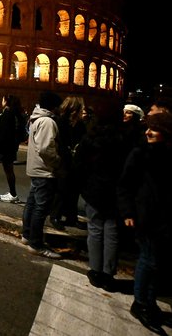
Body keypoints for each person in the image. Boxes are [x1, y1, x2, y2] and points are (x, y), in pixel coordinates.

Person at [117, 112, 172, 333]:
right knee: (149, 261)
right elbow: (125, 185)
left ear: (168, 133)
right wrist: (128, 212)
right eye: (148, 128)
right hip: (146, 217)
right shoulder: (141, 153)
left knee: (157, 263)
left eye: (154, 129)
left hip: (168, 219)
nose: (148, 132)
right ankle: (141, 304)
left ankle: (149, 303)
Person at [77, 103, 125, 292]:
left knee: (95, 230)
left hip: (95, 190)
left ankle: (95, 270)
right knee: (112, 232)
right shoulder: (125, 139)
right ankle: (108, 273)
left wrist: (84, 187)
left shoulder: (91, 137)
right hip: (116, 191)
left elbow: (79, 165)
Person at [21, 91, 63, 259]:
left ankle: (27, 235)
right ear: (54, 106)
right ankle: (36, 244)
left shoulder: (36, 118)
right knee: (40, 208)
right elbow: (46, 149)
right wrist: (58, 161)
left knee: (32, 204)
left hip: (35, 168)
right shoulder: (47, 122)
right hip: (44, 170)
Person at [50, 96, 87, 230]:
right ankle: (55, 216)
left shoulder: (80, 123)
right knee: (61, 189)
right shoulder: (60, 122)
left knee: (74, 190)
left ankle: (72, 217)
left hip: (76, 161)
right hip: (64, 160)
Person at [0, 94, 24, 203]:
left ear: (6, 102)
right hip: (11, 146)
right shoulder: (14, 113)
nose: (1, 101)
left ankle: (13, 194)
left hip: (6, 147)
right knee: (9, 170)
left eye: (2, 99)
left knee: (8, 171)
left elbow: (3, 132)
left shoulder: (7, 114)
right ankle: (12, 192)